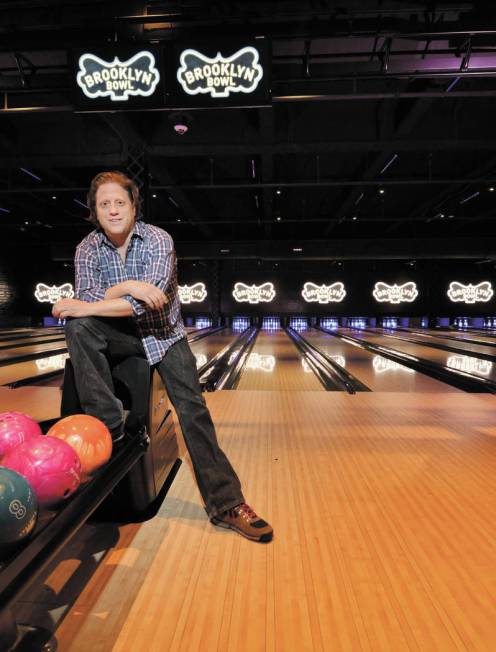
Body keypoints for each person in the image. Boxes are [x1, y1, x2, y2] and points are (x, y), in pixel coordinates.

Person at [52, 171, 273, 543]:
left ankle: (227, 503)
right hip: (118, 336)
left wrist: (121, 292)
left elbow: (144, 304)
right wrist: (126, 287)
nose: (113, 209)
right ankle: (110, 426)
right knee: (78, 327)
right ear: (94, 211)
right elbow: (83, 306)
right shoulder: (86, 248)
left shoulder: (157, 239)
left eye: (119, 202)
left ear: (134, 206)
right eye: (103, 204)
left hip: (164, 338)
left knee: (193, 412)